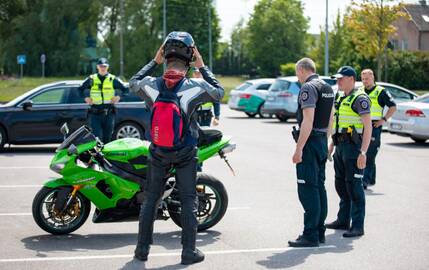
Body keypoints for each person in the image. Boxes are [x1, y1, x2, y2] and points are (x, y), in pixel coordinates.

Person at [129, 31, 224, 265]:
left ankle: (142, 251)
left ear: (165, 56)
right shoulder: (192, 87)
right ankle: (188, 252)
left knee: (151, 200)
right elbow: (219, 92)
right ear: (189, 60)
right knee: (189, 200)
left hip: (159, 152)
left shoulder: (151, 85)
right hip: (185, 153)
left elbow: (132, 83)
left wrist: (154, 62)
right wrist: (202, 66)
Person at [288, 58, 334, 248]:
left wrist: (299, 148)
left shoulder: (308, 88)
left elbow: (308, 120)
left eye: (297, 73)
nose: (297, 77)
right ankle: (319, 231)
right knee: (319, 188)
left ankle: (310, 235)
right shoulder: (327, 87)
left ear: (301, 70)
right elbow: (331, 117)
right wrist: (327, 142)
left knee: (308, 189)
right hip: (321, 140)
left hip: (310, 142)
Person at [326, 66, 372, 238]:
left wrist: (364, 152)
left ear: (351, 79)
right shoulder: (339, 96)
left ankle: (358, 226)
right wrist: (332, 143)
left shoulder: (360, 98)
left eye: (341, 79)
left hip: (354, 149)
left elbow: (368, 127)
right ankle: (343, 220)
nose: (338, 81)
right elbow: (338, 122)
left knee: (354, 188)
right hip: (340, 147)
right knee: (341, 184)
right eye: (337, 79)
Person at [359, 69, 396, 189]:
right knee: (365, 152)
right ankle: (371, 179)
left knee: (369, 154)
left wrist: (383, 120)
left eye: (367, 79)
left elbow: (393, 107)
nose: (365, 81)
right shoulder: (359, 91)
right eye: (363, 79)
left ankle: (364, 181)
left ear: (373, 78)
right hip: (361, 126)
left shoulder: (381, 91)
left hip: (374, 126)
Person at [78, 58, 128, 143]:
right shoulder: (91, 79)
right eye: (101, 66)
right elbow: (79, 89)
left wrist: (119, 97)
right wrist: (85, 98)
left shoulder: (112, 79)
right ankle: (98, 156)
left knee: (107, 138)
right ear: (97, 67)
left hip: (109, 114)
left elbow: (126, 90)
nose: (103, 68)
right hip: (95, 114)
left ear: (107, 67)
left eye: (104, 66)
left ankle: (106, 156)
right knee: (97, 138)